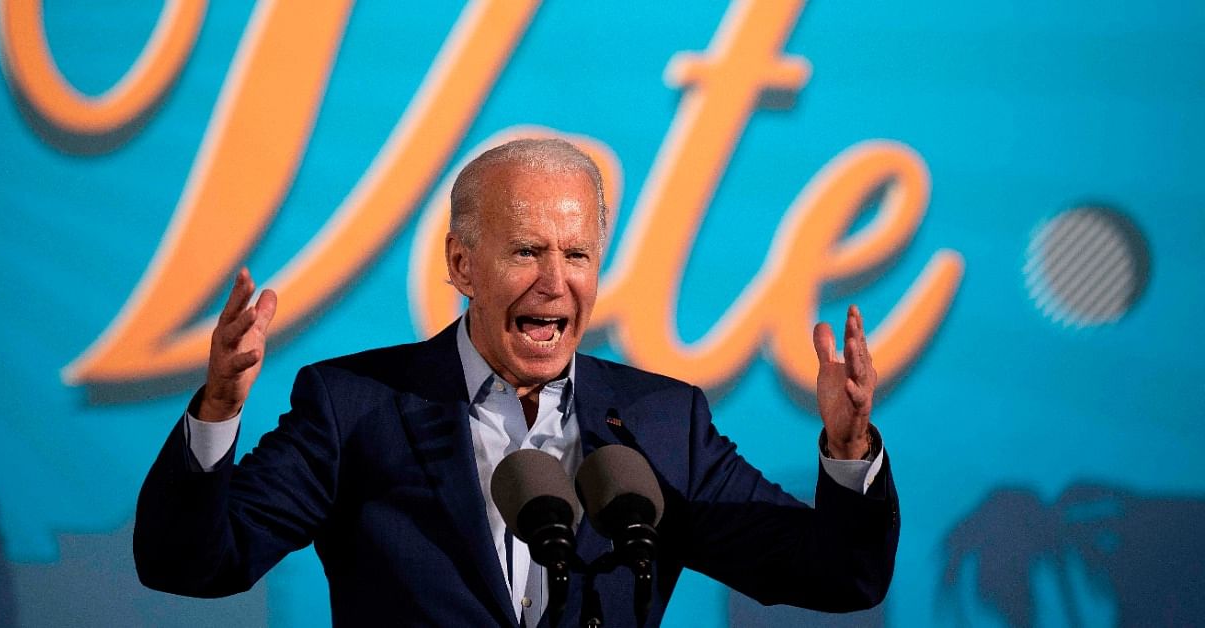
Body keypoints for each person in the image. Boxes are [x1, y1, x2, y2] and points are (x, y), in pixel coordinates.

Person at [134, 138, 899, 627]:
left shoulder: (664, 422)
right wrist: (219, 412)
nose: (554, 282)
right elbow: (194, 563)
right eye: (527, 251)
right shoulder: (354, 408)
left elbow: (838, 576)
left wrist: (849, 444)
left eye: (577, 255)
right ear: (462, 266)